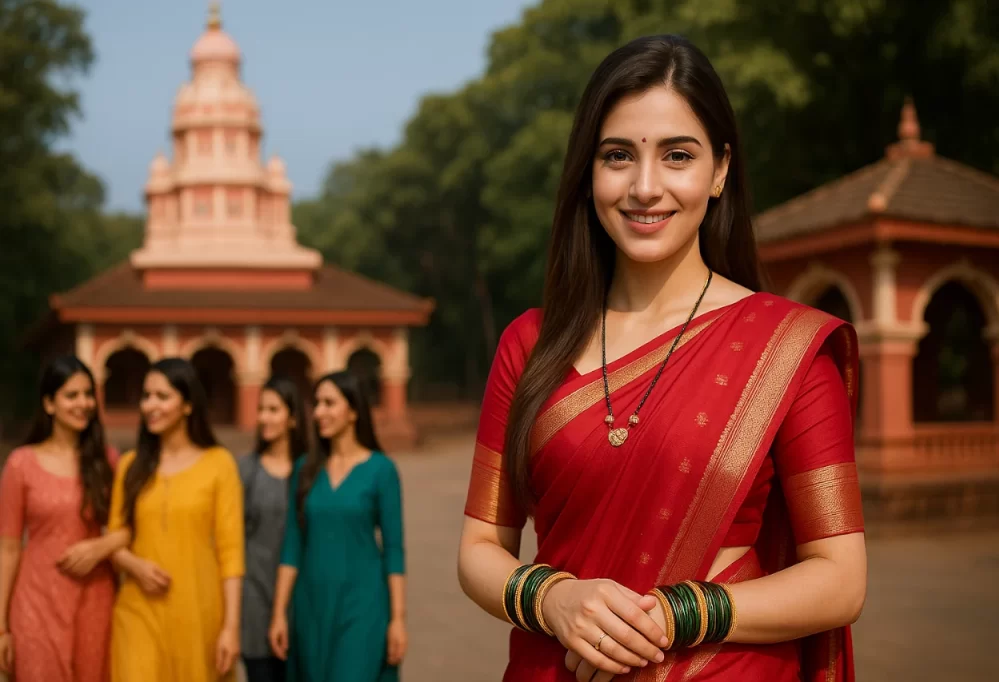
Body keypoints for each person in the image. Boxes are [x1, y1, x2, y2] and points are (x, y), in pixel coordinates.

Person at [457, 35, 866, 682]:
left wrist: (677, 613)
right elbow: (479, 550)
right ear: (588, 172)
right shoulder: (530, 345)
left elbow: (840, 579)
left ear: (720, 170)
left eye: (678, 156)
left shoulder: (786, 350)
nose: (645, 188)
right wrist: (555, 599)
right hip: (557, 664)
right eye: (617, 156)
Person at [108, 357, 245, 682]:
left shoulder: (219, 463)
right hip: (137, 609)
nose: (150, 405)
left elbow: (231, 552)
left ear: (187, 405)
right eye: (146, 396)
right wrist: (136, 566)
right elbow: (115, 537)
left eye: (162, 396)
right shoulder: (130, 465)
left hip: (198, 612)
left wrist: (231, 627)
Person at [269, 370, 407, 681]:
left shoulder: (381, 470)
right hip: (311, 604)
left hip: (363, 604)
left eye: (329, 403)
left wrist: (397, 619)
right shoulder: (305, 468)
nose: (318, 412)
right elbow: (292, 544)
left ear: (354, 410)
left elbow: (394, 550)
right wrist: (279, 613)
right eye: (316, 403)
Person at [0, 355, 124, 682]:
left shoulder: (107, 460)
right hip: (36, 601)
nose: (83, 403)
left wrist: (101, 546)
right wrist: (0, 626)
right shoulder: (21, 464)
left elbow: (128, 528)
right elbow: (8, 548)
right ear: (49, 403)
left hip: (95, 599)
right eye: (71, 395)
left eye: (87, 394)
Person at [238, 376, 309, 682]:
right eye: (261, 409)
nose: (264, 418)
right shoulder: (245, 470)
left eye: (273, 409)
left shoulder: (311, 472)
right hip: (254, 598)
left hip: (303, 598)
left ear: (293, 418)